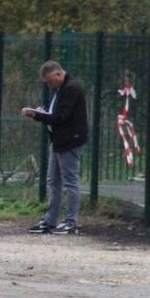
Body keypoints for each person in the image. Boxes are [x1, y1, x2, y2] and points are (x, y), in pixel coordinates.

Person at [21, 61, 88, 235]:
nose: (50, 85)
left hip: (69, 140)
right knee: (53, 181)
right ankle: (50, 220)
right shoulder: (58, 89)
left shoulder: (71, 88)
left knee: (70, 182)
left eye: (51, 81)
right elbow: (54, 113)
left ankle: (71, 221)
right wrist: (42, 112)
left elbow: (60, 117)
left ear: (59, 74)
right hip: (58, 140)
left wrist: (37, 115)